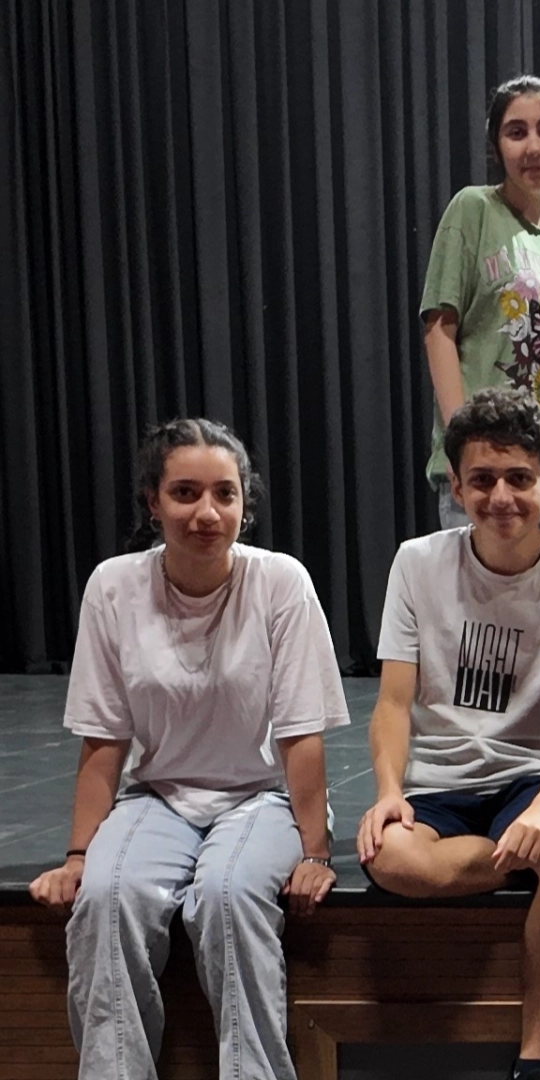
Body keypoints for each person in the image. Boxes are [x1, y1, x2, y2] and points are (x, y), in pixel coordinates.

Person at [29, 419, 349, 1080]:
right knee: (106, 897)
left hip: (263, 796)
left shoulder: (280, 582)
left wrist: (316, 852)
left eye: (224, 494)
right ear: (153, 501)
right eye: (185, 493)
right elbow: (104, 739)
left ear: (243, 503)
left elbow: (300, 734)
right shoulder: (114, 587)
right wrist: (78, 856)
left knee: (228, 896)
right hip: (160, 795)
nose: (207, 512)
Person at [357, 388, 540, 1080]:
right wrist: (388, 792)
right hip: (438, 780)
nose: (501, 497)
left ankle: (534, 1058)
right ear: (457, 486)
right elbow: (393, 702)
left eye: (519, 479)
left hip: (528, 776)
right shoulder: (416, 563)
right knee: (389, 856)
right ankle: (523, 862)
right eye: (483, 479)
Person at [421, 75, 540, 540]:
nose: (534, 147)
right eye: (516, 132)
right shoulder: (473, 210)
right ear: (497, 147)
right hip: (487, 468)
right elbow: (439, 329)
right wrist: (463, 442)